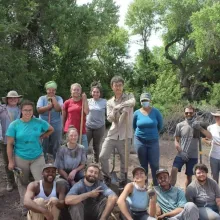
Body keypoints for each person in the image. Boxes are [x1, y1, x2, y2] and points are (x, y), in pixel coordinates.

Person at [6, 100, 54, 212]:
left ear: (33, 111)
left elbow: (51, 129)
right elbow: (9, 144)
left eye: (30, 110)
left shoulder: (39, 122)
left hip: (37, 156)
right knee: (22, 182)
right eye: (25, 110)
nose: (28, 112)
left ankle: (42, 203)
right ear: (21, 111)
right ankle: (26, 204)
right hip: (20, 157)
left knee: (42, 180)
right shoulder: (14, 125)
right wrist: (10, 161)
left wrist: (43, 136)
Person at [99, 76, 135, 186]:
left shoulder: (129, 96)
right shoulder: (109, 102)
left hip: (125, 134)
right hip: (113, 133)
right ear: (112, 87)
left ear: (123, 86)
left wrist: (119, 106)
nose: (118, 87)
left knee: (125, 159)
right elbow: (110, 118)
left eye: (120, 85)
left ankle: (123, 179)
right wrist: (117, 111)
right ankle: (107, 176)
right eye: (116, 85)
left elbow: (132, 102)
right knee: (102, 156)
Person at [170, 105, 212, 188]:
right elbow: (176, 140)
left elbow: (209, 136)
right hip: (181, 154)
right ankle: (170, 190)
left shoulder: (199, 125)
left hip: (193, 156)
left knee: (189, 177)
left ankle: (187, 195)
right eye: (186, 113)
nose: (188, 114)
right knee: (174, 170)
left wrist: (200, 128)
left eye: (190, 112)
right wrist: (180, 152)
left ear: (194, 113)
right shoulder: (180, 125)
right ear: (184, 113)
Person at [133, 92, 163, 186]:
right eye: (143, 100)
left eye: (146, 100)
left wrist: (152, 134)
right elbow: (134, 126)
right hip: (140, 141)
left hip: (153, 142)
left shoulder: (156, 112)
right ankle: (144, 186)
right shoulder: (136, 113)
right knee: (143, 165)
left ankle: (156, 186)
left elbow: (160, 126)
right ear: (140, 101)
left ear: (150, 101)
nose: (144, 102)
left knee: (154, 165)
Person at [0, 90, 22, 192]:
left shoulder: (22, 110)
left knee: (20, 160)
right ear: (7, 100)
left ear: (18, 99)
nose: (13, 99)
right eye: (11, 98)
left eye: (15, 98)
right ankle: (10, 181)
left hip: (19, 139)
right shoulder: (2, 109)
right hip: (5, 138)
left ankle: (20, 180)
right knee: (7, 161)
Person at [37, 81, 63, 161]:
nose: (51, 91)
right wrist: (48, 107)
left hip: (56, 125)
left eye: (53, 90)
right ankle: (43, 161)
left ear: (55, 90)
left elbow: (58, 109)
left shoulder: (59, 98)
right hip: (43, 125)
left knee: (56, 144)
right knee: (43, 144)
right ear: (46, 90)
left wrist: (53, 99)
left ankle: (57, 163)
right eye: (49, 89)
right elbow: (39, 110)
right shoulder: (42, 98)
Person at [63, 83, 89, 151]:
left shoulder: (83, 102)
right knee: (70, 152)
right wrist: (63, 127)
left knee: (84, 151)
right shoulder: (67, 102)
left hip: (81, 130)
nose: (76, 91)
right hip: (70, 130)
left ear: (80, 91)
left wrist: (85, 99)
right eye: (74, 90)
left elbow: (87, 112)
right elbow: (63, 116)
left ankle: (82, 162)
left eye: (78, 90)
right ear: (71, 91)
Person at [86, 82, 107, 163]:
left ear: (100, 93)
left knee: (96, 146)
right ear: (91, 92)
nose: (95, 93)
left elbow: (109, 112)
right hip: (88, 126)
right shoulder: (87, 101)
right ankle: (83, 162)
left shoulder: (104, 101)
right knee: (84, 145)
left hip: (99, 127)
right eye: (94, 92)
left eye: (97, 92)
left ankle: (96, 162)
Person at [207, 110, 220, 183]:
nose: (218, 118)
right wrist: (209, 142)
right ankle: (216, 194)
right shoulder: (210, 127)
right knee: (214, 178)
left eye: (219, 117)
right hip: (214, 156)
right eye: (216, 117)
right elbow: (204, 139)